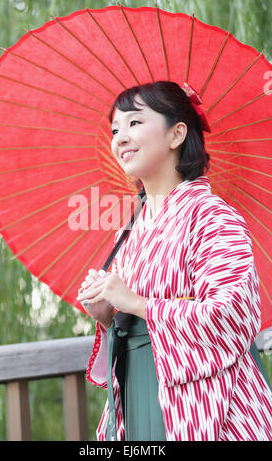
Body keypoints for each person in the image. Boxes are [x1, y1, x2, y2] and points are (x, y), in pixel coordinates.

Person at [77, 81, 272, 441]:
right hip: (139, 387)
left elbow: (230, 315)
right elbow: (131, 319)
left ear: (177, 133)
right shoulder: (131, 229)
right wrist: (107, 314)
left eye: (134, 123)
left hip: (209, 403)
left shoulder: (213, 217)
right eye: (115, 129)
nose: (120, 137)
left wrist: (136, 303)